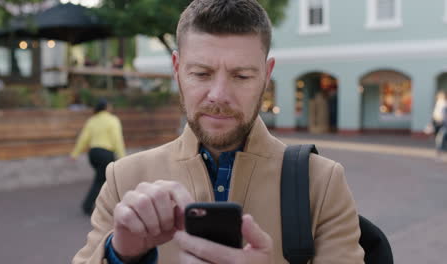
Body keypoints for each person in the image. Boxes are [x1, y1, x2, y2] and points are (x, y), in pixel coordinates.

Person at [73, 0, 364, 263]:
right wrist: (119, 255)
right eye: (201, 74)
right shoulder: (123, 180)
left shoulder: (322, 183)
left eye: (241, 76)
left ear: (266, 75)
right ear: (176, 69)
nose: (219, 95)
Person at [70, 99, 126, 216]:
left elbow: (84, 138)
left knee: (104, 179)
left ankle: (108, 206)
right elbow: (117, 140)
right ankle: (88, 205)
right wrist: (123, 157)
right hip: (105, 153)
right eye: (110, 106)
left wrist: (75, 153)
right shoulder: (112, 120)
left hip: (93, 153)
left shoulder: (92, 120)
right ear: (106, 107)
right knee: (102, 180)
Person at [434, 91, 447, 161]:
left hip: (443, 124)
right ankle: (439, 154)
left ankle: (439, 154)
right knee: (439, 139)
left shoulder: (444, 104)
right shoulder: (438, 103)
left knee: (440, 139)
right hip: (438, 123)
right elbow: (435, 114)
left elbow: (443, 115)